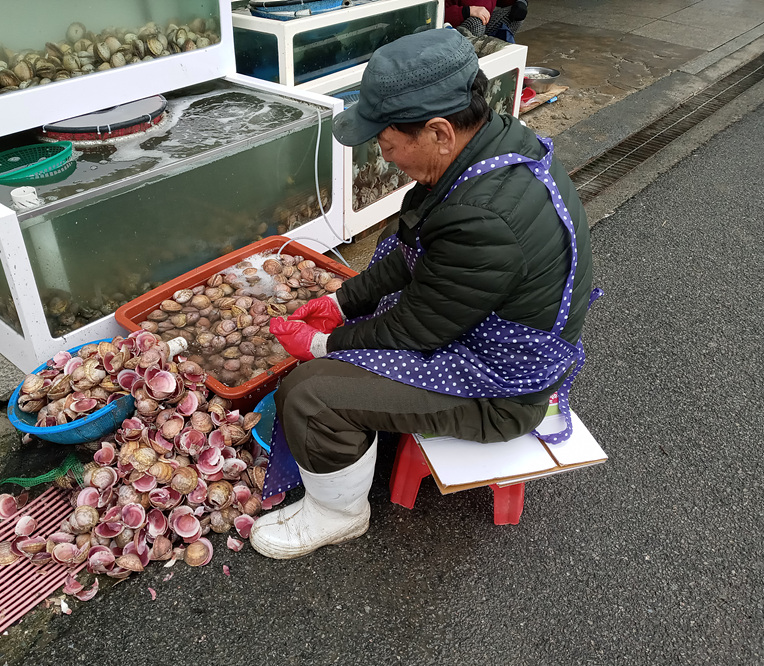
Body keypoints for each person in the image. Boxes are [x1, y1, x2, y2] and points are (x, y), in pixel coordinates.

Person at [249, 29, 596, 560]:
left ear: (438, 132)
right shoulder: (489, 144)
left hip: (500, 390)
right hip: (473, 326)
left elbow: (415, 329)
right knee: (375, 292)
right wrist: (344, 302)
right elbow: (415, 251)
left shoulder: (485, 219)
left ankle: (338, 515)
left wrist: (320, 345)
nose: (385, 158)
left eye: (387, 145)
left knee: (309, 395)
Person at [445, 0, 528, 41]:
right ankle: (471, 62)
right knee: (476, 22)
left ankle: (497, 53)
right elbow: (439, 14)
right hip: (455, 33)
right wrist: (466, 11)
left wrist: (521, 2)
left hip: (486, 23)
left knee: (516, 14)